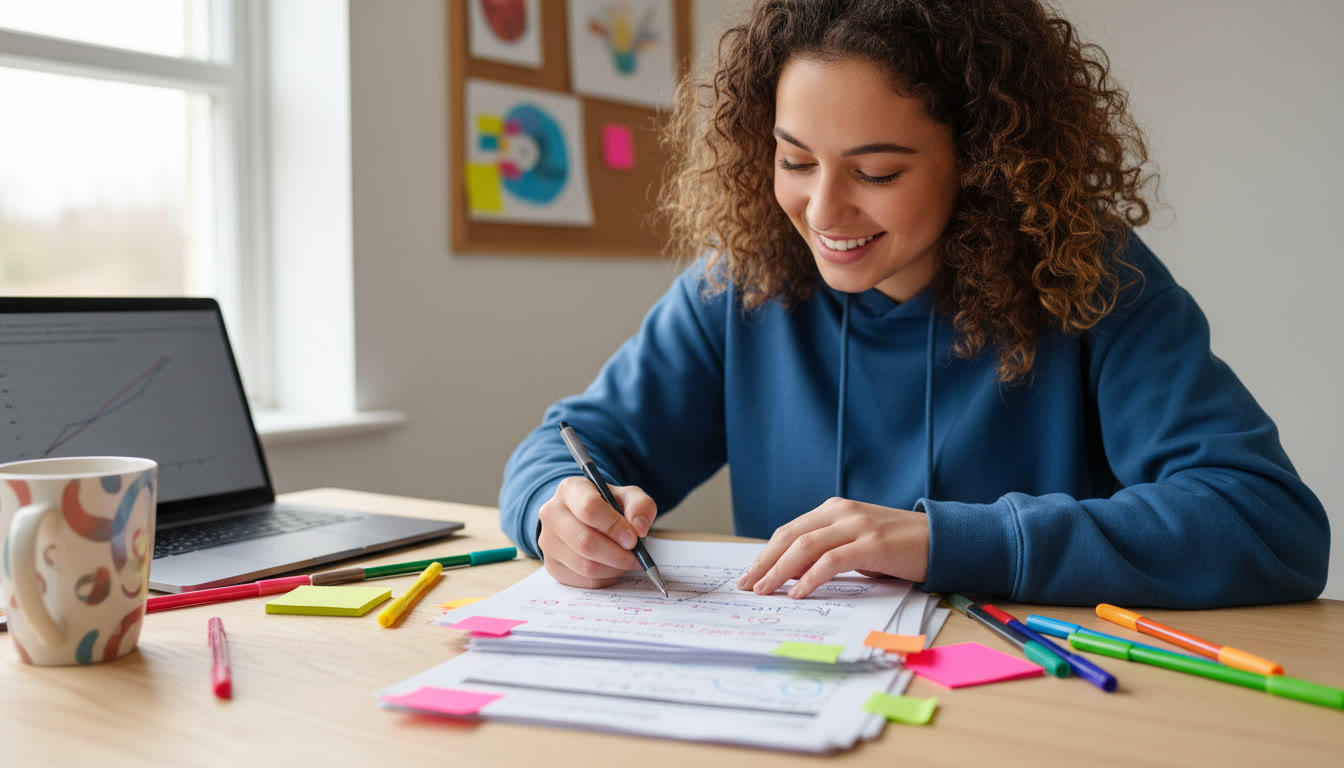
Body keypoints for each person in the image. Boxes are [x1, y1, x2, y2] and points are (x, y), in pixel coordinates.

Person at [499, 0, 1329, 608]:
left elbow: (1266, 522)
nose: (822, 212)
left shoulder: (1093, 283)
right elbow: (570, 446)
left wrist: (946, 541)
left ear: (982, 159)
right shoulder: (739, 286)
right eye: (795, 160)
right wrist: (557, 512)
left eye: (878, 172)